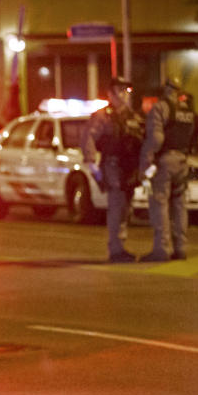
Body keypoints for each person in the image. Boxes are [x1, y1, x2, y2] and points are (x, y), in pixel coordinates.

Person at [82, 78, 144, 263]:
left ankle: (120, 246)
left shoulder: (134, 116)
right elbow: (89, 138)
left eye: (126, 91)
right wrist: (91, 162)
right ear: (110, 93)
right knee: (117, 207)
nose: (123, 94)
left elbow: (142, 140)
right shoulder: (103, 116)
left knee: (126, 208)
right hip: (113, 166)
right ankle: (116, 249)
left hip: (129, 169)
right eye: (119, 90)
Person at [140, 78, 196, 262]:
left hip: (165, 162)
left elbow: (155, 139)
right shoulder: (187, 110)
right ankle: (181, 248)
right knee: (180, 206)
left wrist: (146, 163)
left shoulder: (160, 108)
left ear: (166, 89)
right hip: (182, 161)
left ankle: (161, 249)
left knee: (160, 204)